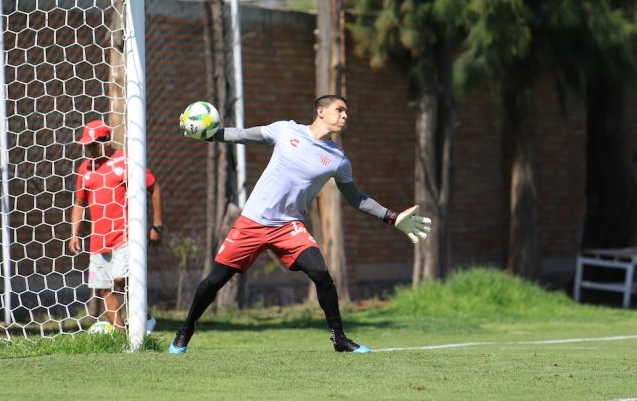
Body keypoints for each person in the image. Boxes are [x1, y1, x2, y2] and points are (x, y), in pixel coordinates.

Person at [169, 95, 431, 354]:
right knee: (214, 281)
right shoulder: (286, 129)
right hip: (252, 221)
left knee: (321, 273)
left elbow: (356, 198)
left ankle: (339, 339)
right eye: (340, 110)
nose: (345, 115)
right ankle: (186, 329)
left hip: (289, 227)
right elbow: (244, 135)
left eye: (346, 111)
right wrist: (208, 134)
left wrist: (393, 217)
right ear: (320, 111)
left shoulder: (339, 159)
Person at [69, 119, 163, 332]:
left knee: (121, 277)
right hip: (98, 241)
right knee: (103, 288)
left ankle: (142, 317)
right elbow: (79, 203)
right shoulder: (85, 168)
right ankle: (123, 337)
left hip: (125, 235)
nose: (89, 149)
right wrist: (74, 234)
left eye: (92, 144)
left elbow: (154, 187)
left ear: (106, 141)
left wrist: (157, 225)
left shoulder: (126, 161)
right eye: (87, 145)